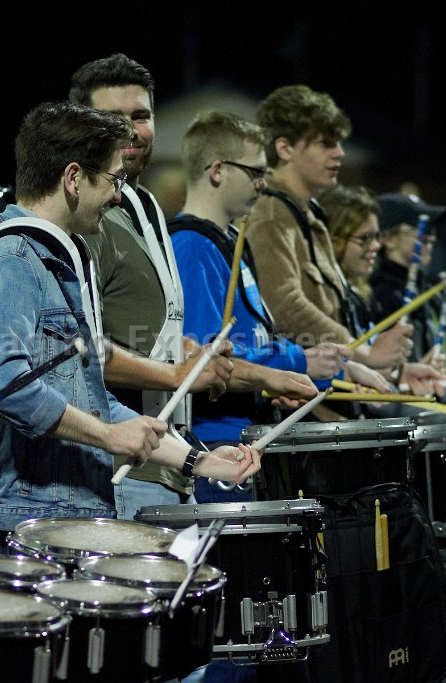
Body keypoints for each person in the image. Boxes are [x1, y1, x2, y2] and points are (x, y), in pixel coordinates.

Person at [0, 100, 261, 561]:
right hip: (15, 523)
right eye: (113, 179)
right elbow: (4, 384)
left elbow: (90, 399)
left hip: (53, 518)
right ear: (73, 178)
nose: (118, 196)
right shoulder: (10, 261)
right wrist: (108, 436)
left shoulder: (56, 262)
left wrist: (198, 461)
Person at [69, 54, 299, 519]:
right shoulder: (86, 218)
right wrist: (179, 375)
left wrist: (195, 358)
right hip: (116, 473)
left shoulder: (145, 207)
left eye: (141, 115)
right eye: (113, 118)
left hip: (169, 461)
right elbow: (79, 353)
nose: (131, 130)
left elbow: (154, 339)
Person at [167, 111, 332, 498]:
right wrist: (292, 363)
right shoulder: (192, 245)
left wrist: (278, 379)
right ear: (218, 170)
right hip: (216, 445)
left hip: (244, 438)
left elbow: (249, 337)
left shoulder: (225, 241)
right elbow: (202, 359)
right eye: (255, 171)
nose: (263, 182)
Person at [245, 84, 410, 411]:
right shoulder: (271, 215)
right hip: (301, 405)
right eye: (326, 143)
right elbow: (283, 306)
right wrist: (363, 353)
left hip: (329, 390)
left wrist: (390, 369)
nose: (340, 153)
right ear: (285, 148)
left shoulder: (307, 213)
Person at [370, 191, 446, 368]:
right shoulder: (380, 294)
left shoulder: (418, 289)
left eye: (431, 229)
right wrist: (415, 371)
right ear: (389, 239)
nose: (431, 237)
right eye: (420, 229)